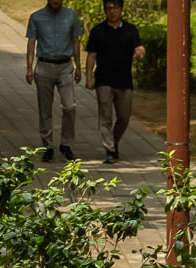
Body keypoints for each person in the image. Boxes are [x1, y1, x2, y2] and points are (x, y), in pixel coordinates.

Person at [85, 0, 145, 163]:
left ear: (121, 9)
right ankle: (110, 150)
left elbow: (139, 46)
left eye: (115, 8)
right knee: (105, 116)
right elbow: (91, 55)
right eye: (108, 8)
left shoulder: (130, 30)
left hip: (124, 81)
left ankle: (113, 141)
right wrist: (89, 77)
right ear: (105, 10)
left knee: (124, 117)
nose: (111, 11)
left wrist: (140, 51)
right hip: (103, 80)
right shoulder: (98, 31)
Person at [26, 0, 85, 160]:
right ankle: (48, 146)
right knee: (45, 109)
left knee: (70, 106)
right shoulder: (36, 17)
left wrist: (78, 67)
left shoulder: (71, 15)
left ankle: (66, 144)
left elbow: (75, 41)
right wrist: (29, 67)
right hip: (44, 66)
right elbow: (31, 42)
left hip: (65, 66)